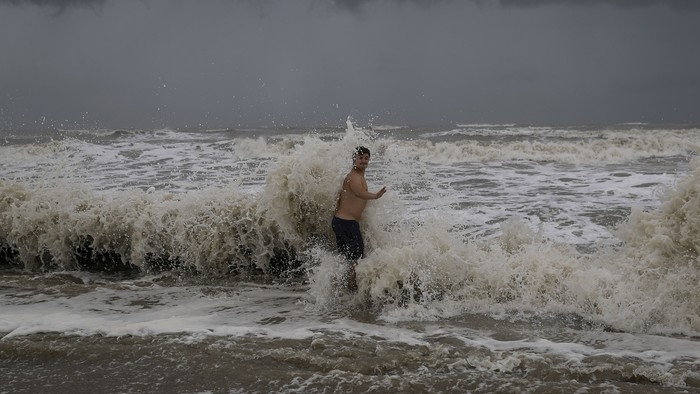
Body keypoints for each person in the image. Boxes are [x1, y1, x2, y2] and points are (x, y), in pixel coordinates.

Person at [332, 146, 387, 291]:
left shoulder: (357, 176)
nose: (363, 161)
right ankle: (352, 289)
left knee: (349, 258)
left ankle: (343, 288)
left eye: (366, 158)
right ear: (354, 160)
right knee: (357, 257)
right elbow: (358, 193)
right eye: (360, 158)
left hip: (342, 222)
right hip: (347, 223)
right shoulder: (354, 177)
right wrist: (375, 196)